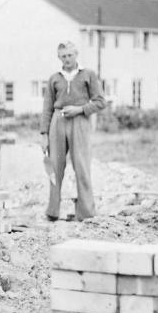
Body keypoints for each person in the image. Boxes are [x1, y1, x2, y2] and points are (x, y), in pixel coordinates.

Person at [40, 41, 106, 222]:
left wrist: (80, 109)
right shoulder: (55, 78)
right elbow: (47, 107)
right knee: (55, 167)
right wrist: (44, 134)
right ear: (58, 57)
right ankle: (52, 211)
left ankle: (86, 213)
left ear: (76, 55)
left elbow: (100, 101)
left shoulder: (88, 75)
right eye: (63, 56)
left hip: (80, 121)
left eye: (70, 55)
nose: (67, 59)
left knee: (82, 166)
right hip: (58, 121)